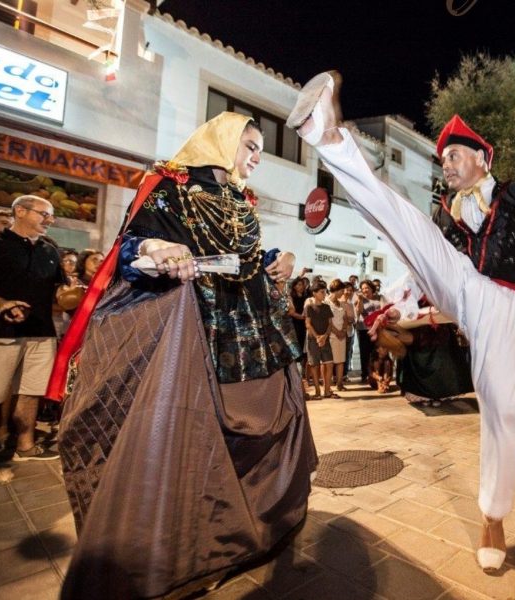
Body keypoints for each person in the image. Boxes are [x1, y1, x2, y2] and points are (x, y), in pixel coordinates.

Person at [286, 71, 515, 572]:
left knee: (504, 411)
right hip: (460, 288)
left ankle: (493, 516)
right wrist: (396, 306)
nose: (447, 165)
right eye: (443, 159)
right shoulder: (446, 213)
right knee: (402, 220)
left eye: (454, 155)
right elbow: (422, 262)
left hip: (505, 305)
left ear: (482, 158)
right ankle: (330, 138)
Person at [55, 113, 317, 598]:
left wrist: (280, 259)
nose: (257, 157)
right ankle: (194, 550)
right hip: (196, 332)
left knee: (265, 426)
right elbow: (129, 251)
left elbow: (245, 262)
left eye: (261, 150)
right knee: (193, 439)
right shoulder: (167, 188)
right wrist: (157, 246)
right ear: (220, 141)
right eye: (251, 146)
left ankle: (259, 527)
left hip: (255, 334)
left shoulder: (241, 201)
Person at [0, 195, 64, 461]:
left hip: (42, 333)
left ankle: (25, 445)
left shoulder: (50, 251)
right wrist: (1, 303)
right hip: (2, 332)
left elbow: (59, 291)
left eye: (52, 216)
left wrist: (73, 295)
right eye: (44, 214)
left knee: (32, 391)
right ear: (20, 211)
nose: (49, 220)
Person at [305, 279, 337, 399]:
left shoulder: (327, 307)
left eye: (325, 292)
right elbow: (308, 324)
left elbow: (330, 324)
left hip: (325, 340)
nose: (324, 294)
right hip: (313, 340)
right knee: (315, 365)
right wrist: (317, 337)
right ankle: (317, 391)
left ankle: (327, 391)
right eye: (322, 292)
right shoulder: (309, 307)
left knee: (329, 364)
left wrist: (325, 336)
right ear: (314, 293)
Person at [354, 279, 382, 381]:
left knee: (377, 351)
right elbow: (359, 311)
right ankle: (365, 374)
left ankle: (377, 373)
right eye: (363, 288)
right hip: (363, 329)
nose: (365, 290)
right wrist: (360, 300)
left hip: (378, 328)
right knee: (364, 352)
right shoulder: (359, 299)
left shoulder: (379, 298)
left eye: (367, 288)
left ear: (372, 288)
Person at [327, 278, 349, 391]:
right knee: (330, 361)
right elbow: (327, 321)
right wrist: (337, 332)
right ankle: (328, 385)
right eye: (341, 291)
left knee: (341, 360)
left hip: (342, 335)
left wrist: (343, 331)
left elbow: (345, 318)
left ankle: (340, 383)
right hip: (331, 335)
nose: (343, 293)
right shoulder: (326, 302)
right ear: (335, 290)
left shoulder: (341, 303)